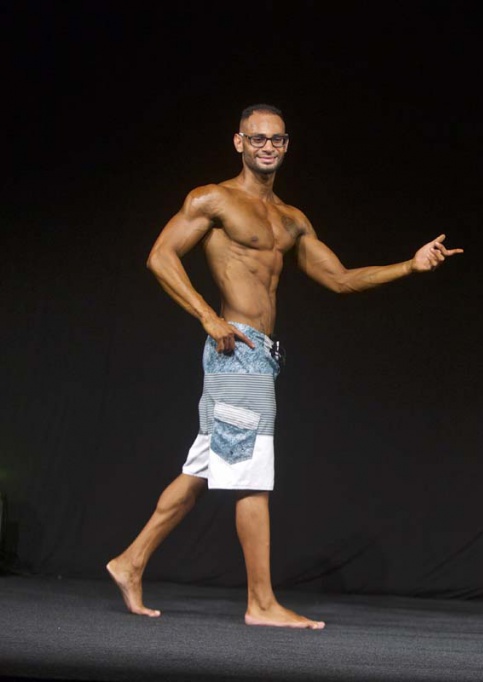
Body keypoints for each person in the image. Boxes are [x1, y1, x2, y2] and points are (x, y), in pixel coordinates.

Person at [106, 103, 462, 629]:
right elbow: (160, 256)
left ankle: (130, 562)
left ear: (287, 145)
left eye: (276, 139)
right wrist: (207, 316)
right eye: (257, 138)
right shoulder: (213, 199)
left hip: (261, 356)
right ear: (239, 142)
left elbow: (340, 279)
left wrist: (409, 266)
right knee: (252, 477)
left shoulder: (293, 219)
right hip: (236, 351)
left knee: (202, 469)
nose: (267, 147)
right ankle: (261, 603)